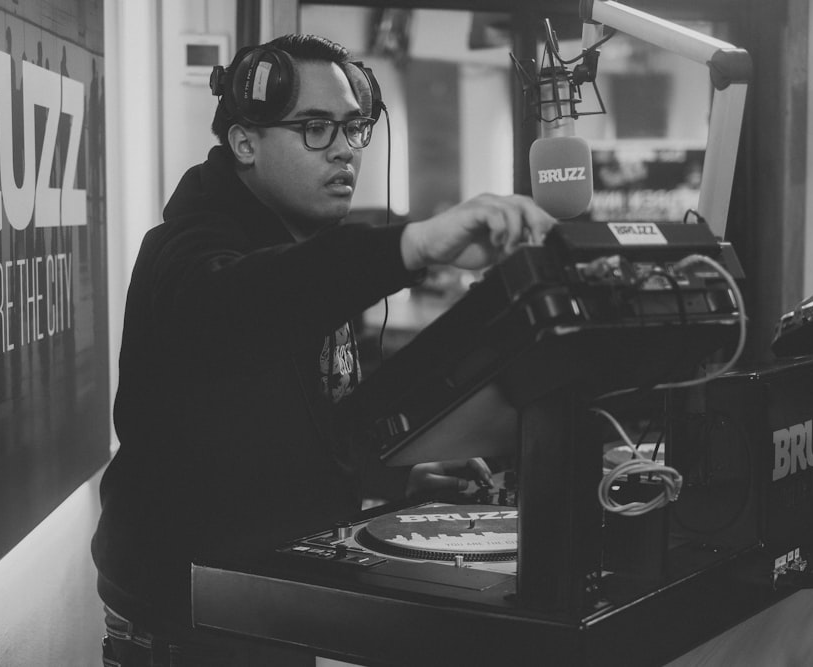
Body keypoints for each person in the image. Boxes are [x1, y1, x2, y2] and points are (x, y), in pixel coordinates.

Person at [92, 34, 554, 666]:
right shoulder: (184, 250)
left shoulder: (303, 245)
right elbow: (240, 307)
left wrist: (390, 479)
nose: (343, 149)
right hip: (192, 636)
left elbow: (295, 427)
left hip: (268, 614)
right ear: (245, 142)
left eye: (352, 128)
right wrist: (411, 247)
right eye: (313, 127)